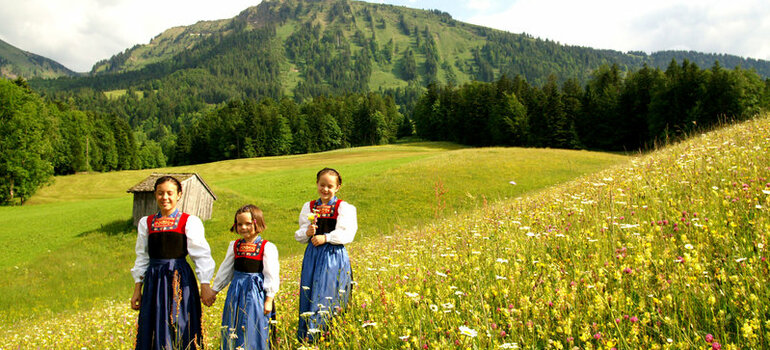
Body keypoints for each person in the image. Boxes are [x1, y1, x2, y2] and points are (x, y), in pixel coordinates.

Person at [130, 175, 216, 350]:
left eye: (170, 193)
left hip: (179, 277)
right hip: (154, 281)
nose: (165, 198)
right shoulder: (146, 223)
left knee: (180, 323)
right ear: (155, 195)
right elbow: (142, 256)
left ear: (179, 195)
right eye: (160, 193)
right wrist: (137, 288)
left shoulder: (189, 222)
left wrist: (205, 284)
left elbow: (201, 255)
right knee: (153, 326)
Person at [294, 168, 358, 342]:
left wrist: (326, 237)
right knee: (310, 291)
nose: (325, 189)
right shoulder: (309, 206)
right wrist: (307, 232)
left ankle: (330, 334)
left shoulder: (343, 207)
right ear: (317, 184)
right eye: (322, 185)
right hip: (312, 256)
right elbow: (299, 235)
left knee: (330, 292)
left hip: (333, 255)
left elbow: (348, 234)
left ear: (338, 187)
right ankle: (309, 336)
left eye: (330, 186)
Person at [212, 204, 279, 350]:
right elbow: (225, 270)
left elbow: (271, 274)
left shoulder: (266, 247)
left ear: (257, 223)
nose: (243, 227)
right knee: (234, 323)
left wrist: (269, 298)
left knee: (254, 324)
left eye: (248, 224)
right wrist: (214, 290)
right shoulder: (234, 246)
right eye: (239, 224)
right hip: (236, 292)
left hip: (256, 293)